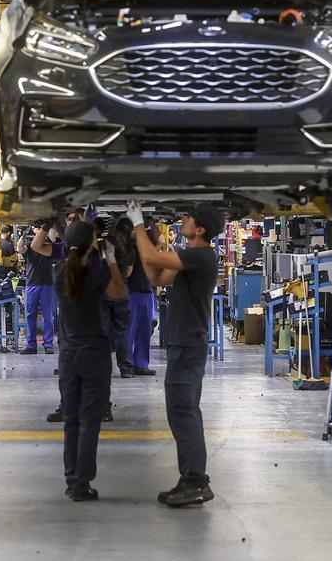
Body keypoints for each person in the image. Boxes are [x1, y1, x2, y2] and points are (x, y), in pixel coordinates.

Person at [128, 200, 223, 507]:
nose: (183, 219)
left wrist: (139, 226)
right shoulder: (191, 258)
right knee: (182, 412)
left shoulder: (200, 255)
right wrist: (146, 240)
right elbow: (156, 276)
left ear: (201, 229)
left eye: (188, 218)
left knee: (184, 412)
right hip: (184, 345)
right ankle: (190, 479)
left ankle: (196, 482)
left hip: (188, 346)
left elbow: (154, 256)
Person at [54, 220, 128, 501]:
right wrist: (110, 261)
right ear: (91, 244)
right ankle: (82, 482)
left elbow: (75, 258)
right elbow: (120, 293)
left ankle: (73, 481)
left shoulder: (60, 274)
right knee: (90, 420)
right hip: (94, 354)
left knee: (71, 420)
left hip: (68, 356)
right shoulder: (97, 274)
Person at [103, 216, 136, 378]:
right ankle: (126, 368)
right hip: (122, 291)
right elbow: (129, 272)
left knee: (103, 332)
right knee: (122, 331)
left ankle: (102, 367)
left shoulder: (106, 242)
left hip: (105, 292)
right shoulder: (130, 246)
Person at [127, 222, 159, 377]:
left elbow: (160, 240)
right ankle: (127, 365)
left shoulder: (148, 251)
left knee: (144, 332)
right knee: (130, 332)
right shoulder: (130, 250)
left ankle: (141, 364)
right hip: (132, 294)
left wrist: (151, 221)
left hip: (146, 294)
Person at [22, 221, 59, 354]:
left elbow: (53, 237)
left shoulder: (49, 244)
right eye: (36, 228)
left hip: (47, 285)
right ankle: (31, 345)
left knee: (48, 316)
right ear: (33, 230)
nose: (39, 230)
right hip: (32, 284)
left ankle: (48, 344)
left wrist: (49, 223)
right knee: (30, 315)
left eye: (40, 228)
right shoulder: (29, 245)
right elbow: (20, 248)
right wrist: (24, 233)